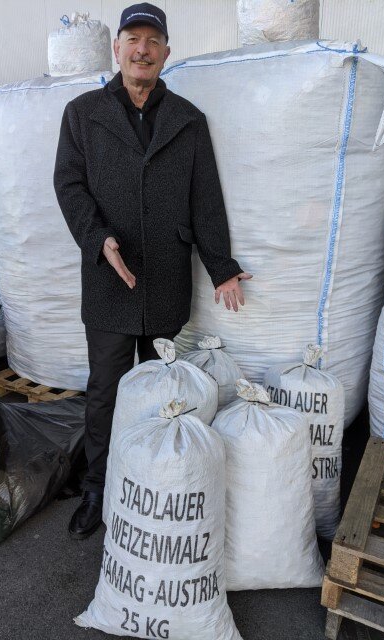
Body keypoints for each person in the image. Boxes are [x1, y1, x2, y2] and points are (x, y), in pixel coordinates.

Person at [53, 3, 251, 539]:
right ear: (116, 48)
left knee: (162, 387)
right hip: (109, 279)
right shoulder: (83, 113)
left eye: (153, 41)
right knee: (106, 389)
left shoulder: (187, 119)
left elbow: (205, 198)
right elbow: (68, 185)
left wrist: (222, 267)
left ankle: (150, 481)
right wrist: (98, 239)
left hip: (165, 275)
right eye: (133, 39)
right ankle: (97, 488)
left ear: (166, 53)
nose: (142, 50)